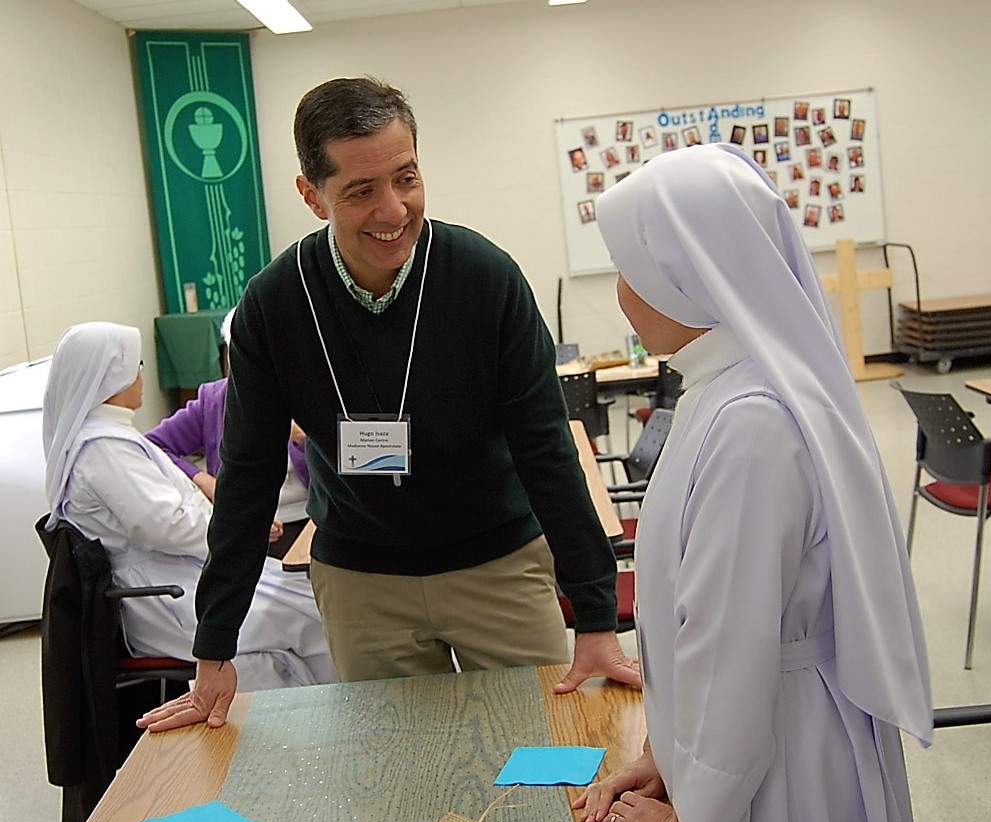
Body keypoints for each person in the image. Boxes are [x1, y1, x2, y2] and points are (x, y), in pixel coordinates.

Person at [138, 76, 638, 734]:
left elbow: (547, 449)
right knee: (403, 778)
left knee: (555, 753)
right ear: (312, 195)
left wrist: (597, 615)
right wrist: (215, 644)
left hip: (499, 565)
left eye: (406, 178)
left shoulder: (483, 279)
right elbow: (248, 479)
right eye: (361, 191)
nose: (394, 209)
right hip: (362, 582)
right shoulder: (275, 306)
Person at [572, 144, 932, 822]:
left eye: (628, 270)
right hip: (749, 745)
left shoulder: (752, 423)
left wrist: (691, 816)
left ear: (684, 276)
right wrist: (672, 757)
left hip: (780, 764)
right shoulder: (724, 386)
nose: (620, 292)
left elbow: (728, 645)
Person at [42, 321, 337, 691]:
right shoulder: (104, 448)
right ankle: (337, 719)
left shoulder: (109, 439)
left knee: (309, 609)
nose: (141, 375)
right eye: (135, 366)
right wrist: (239, 530)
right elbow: (166, 524)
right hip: (164, 593)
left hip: (178, 575)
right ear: (111, 376)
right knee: (315, 614)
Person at [145, 308, 311, 560]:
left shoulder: (309, 395)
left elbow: (348, 460)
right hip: (243, 525)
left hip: (306, 522)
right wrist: (204, 480)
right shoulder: (213, 400)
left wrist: (307, 438)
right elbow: (152, 447)